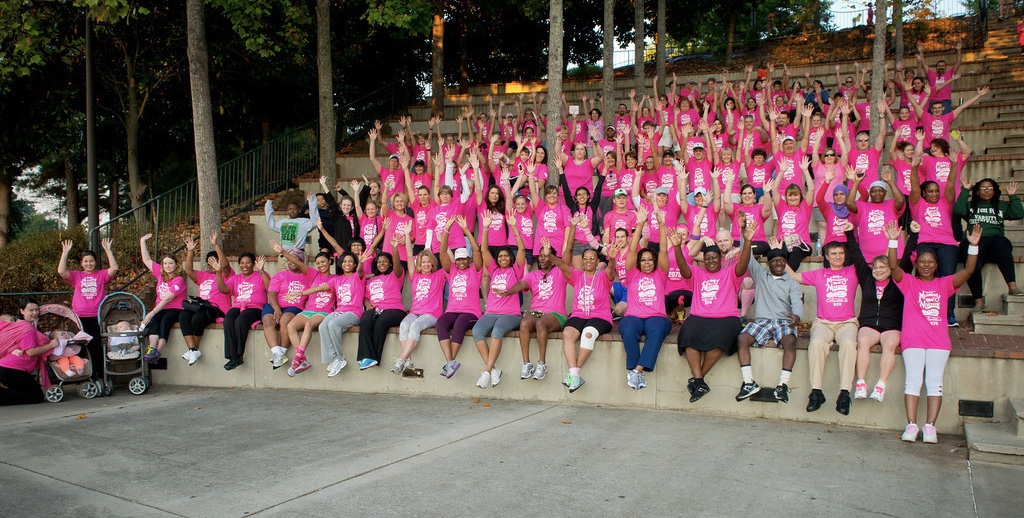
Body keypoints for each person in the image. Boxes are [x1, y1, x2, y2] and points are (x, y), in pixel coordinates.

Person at [886, 222, 981, 443]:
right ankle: (911, 425)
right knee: (913, 381)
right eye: (922, 262)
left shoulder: (945, 283)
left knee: (935, 382)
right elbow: (893, 268)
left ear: (936, 265)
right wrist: (893, 241)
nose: (926, 265)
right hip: (913, 340)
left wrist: (973, 246)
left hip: (938, 342)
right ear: (916, 264)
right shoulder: (908, 283)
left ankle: (930, 427)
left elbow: (968, 270)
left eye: (930, 262)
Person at [677, 213, 755, 402]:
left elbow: (743, 264)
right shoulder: (697, 272)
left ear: (720, 259)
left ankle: (698, 381)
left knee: (721, 340)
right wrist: (675, 247)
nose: (711, 261)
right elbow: (683, 267)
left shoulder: (731, 273)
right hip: (699, 316)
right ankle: (699, 381)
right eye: (708, 258)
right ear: (704, 259)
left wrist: (746, 240)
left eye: (715, 258)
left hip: (726, 318)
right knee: (688, 336)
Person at [786, 225, 861, 416]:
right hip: (823, 322)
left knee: (849, 345)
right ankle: (816, 392)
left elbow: (864, 259)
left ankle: (844, 394)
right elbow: (793, 276)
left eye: (840, 253)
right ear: (826, 256)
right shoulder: (819, 274)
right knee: (817, 343)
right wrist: (778, 253)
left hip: (847, 323)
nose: (837, 256)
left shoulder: (853, 271)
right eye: (833, 253)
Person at [546, 223, 616, 393]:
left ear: (598, 261)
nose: (589, 261)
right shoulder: (577, 276)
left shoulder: (603, 277)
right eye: (586, 259)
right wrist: (550, 256)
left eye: (592, 258)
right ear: (583, 262)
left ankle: (574, 375)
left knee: (588, 334)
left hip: (600, 317)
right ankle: (574, 374)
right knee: (567, 334)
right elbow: (563, 266)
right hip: (579, 314)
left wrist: (612, 258)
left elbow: (612, 270)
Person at [733, 242, 803, 403]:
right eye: (775, 261)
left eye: (782, 261)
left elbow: (797, 303)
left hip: (783, 322)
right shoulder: (760, 275)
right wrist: (746, 236)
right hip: (762, 321)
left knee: (790, 340)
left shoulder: (792, 284)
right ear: (768, 263)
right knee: (742, 338)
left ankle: (782, 386)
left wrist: (797, 316)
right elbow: (748, 257)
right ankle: (748, 382)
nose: (779, 264)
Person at [845, 224, 905, 404]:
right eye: (876, 267)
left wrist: (903, 238)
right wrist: (850, 232)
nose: (878, 270)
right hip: (869, 324)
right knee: (862, 342)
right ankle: (861, 383)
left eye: (883, 267)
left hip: (891, 325)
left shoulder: (898, 281)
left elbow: (906, 260)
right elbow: (856, 255)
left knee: (890, 344)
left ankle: (881, 385)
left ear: (891, 269)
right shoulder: (867, 278)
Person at [618, 206, 673, 391]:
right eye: (643, 260)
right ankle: (636, 372)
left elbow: (664, 250)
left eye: (650, 259)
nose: (647, 263)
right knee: (627, 329)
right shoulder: (633, 273)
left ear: (654, 262)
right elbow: (632, 250)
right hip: (634, 315)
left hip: (656, 316)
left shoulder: (661, 273)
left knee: (656, 332)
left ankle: (637, 369)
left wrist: (662, 224)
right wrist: (640, 224)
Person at [470, 212, 527, 388]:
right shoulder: (494, 269)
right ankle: (493, 369)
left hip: (511, 314)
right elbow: (484, 250)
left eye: (506, 256)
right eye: (500, 256)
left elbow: (522, 250)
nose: (503, 258)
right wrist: (485, 228)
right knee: (477, 331)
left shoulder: (516, 270)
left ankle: (486, 372)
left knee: (497, 331)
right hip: (491, 312)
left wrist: (514, 227)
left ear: (510, 258)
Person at [954, 176, 1024, 311]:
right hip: (975, 240)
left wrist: (1013, 196)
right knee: (972, 262)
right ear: (978, 191)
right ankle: (979, 301)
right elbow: (958, 210)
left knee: (1002, 246)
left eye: (990, 188)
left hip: (995, 240)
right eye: (983, 188)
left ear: (994, 191)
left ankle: (1012, 287)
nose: (986, 191)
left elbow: (1019, 213)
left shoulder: (1001, 205)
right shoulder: (970, 205)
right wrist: (965, 190)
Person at [908, 153, 962, 326]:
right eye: (930, 191)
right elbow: (914, 187)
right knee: (923, 278)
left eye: (936, 191)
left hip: (947, 244)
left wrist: (954, 164)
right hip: (925, 243)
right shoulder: (918, 203)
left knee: (948, 278)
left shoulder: (945, 202)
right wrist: (914, 167)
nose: (934, 194)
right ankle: (922, 311)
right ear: (924, 193)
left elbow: (951, 184)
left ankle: (949, 315)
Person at [500, 245, 567, 381]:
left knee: (540, 323)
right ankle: (527, 364)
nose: (542, 258)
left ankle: (542, 363)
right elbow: (521, 284)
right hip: (537, 312)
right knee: (524, 322)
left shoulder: (560, 272)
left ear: (552, 259)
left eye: (546, 255)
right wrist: (508, 292)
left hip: (556, 314)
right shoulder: (533, 275)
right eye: (540, 255)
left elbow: (567, 255)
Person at [58, 237, 117, 380]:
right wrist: (65, 252)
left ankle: (98, 374)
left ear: (95, 262)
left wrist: (108, 250)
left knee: (96, 345)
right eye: (85, 261)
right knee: (80, 346)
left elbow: (114, 268)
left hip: (96, 316)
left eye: (91, 261)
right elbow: (61, 271)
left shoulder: (101, 275)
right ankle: (83, 374)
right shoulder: (77, 276)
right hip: (79, 317)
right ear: (81, 263)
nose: (88, 263)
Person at [275, 242, 336, 377]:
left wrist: (301, 293)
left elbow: (323, 288)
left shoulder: (335, 278)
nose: (320, 265)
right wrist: (283, 253)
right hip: (309, 309)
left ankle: (297, 360)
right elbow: (298, 263)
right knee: (290, 325)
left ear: (330, 262)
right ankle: (302, 360)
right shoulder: (313, 274)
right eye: (318, 263)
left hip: (324, 311)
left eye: (323, 262)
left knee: (308, 325)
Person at [435, 215, 483, 378]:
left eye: (464, 259)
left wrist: (465, 230)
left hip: (471, 312)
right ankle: (450, 362)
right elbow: (442, 252)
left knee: (460, 324)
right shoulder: (452, 271)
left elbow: (477, 250)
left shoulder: (475, 271)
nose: (461, 261)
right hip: (453, 310)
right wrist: (446, 230)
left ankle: (450, 362)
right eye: (458, 259)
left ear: (469, 259)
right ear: (455, 260)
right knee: (441, 322)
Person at [356, 229, 408, 370]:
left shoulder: (396, 276)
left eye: (385, 261)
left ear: (390, 264)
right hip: (376, 309)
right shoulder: (371, 279)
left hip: (394, 310)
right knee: (365, 319)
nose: (382, 264)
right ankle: (366, 357)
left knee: (381, 322)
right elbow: (366, 298)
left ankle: (374, 358)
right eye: (379, 262)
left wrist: (395, 249)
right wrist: (367, 304)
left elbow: (397, 265)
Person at [179, 233, 233, 366]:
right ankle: (193, 349)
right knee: (183, 315)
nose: (211, 264)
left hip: (216, 309)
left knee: (198, 318)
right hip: (201, 306)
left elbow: (225, 265)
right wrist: (190, 251)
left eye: (214, 261)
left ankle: (193, 350)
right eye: (209, 262)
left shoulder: (226, 275)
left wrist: (216, 245)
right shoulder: (204, 275)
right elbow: (189, 271)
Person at [393, 236, 444, 375]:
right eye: (423, 262)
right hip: (415, 312)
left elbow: (447, 259)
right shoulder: (415, 275)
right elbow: (410, 255)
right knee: (404, 325)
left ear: (433, 263)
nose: (426, 264)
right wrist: (407, 235)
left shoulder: (439, 275)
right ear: (419, 264)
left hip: (432, 314)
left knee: (415, 326)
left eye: (429, 262)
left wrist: (442, 240)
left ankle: (401, 359)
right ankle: (408, 360)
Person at [216, 252, 271, 370]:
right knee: (228, 319)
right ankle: (232, 356)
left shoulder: (260, 275)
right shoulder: (236, 278)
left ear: (253, 264)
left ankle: (239, 355)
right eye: (242, 263)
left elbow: (270, 288)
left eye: (248, 262)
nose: (244, 265)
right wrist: (218, 272)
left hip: (255, 307)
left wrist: (261, 270)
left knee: (240, 321)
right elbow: (224, 289)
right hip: (238, 305)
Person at [139, 233, 186, 364]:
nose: (167, 266)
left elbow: (167, 299)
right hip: (160, 308)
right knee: (155, 321)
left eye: (171, 263)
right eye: (165, 263)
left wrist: (152, 312)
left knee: (165, 321)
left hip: (175, 308)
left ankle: (157, 352)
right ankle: (152, 349)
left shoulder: (179, 280)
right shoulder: (160, 274)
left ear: (176, 265)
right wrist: (142, 241)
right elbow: (147, 260)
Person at [263, 247, 308, 369]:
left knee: (285, 320)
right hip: (276, 304)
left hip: (295, 306)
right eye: (289, 259)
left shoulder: (307, 276)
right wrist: (277, 309)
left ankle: (280, 353)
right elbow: (271, 293)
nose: (292, 262)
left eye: (296, 259)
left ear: (301, 261)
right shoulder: (280, 275)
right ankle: (278, 354)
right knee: (267, 320)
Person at [0, 315, 58, 405]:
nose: (34, 313)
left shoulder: (9, 332)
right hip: (12, 369)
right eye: (31, 310)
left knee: (25, 392)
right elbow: (31, 351)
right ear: (22, 312)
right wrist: (51, 345)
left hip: (7, 368)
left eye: (36, 310)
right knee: (36, 396)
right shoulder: (25, 329)